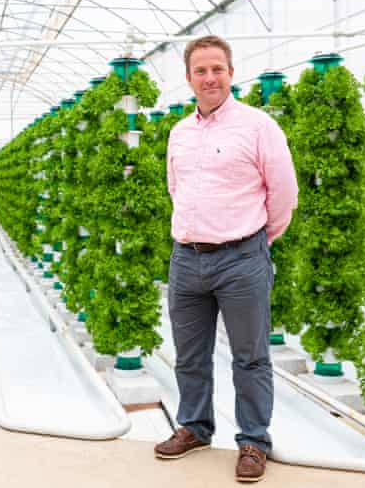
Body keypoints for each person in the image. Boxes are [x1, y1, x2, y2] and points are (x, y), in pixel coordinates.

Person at [154, 35, 298, 483]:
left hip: (242, 256)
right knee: (189, 354)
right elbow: (175, 188)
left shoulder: (259, 126)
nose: (210, 77)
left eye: (218, 69)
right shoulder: (180, 132)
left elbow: (284, 195)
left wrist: (254, 241)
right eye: (201, 71)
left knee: (250, 356)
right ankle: (195, 427)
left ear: (232, 74)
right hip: (187, 258)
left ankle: (253, 441)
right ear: (189, 79)